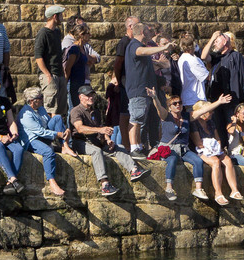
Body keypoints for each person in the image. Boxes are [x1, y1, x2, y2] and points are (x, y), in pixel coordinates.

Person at [67, 84, 141, 198]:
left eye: (92, 95)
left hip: (97, 141)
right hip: (80, 142)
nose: (91, 97)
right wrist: (100, 130)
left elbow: (102, 130)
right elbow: (80, 129)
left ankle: (134, 170)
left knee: (118, 146)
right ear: (81, 97)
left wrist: (107, 140)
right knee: (96, 151)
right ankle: (105, 184)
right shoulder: (76, 111)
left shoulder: (96, 112)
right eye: (87, 95)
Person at [124, 20, 168, 154]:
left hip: (146, 91)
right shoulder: (134, 45)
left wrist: (160, 63)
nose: (151, 33)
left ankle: (138, 146)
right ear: (143, 32)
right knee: (136, 119)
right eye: (148, 31)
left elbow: (156, 64)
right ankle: (134, 148)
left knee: (140, 119)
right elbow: (141, 51)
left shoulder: (139, 46)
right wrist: (161, 48)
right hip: (138, 90)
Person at [17, 86, 69, 197]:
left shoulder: (40, 108)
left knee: (58, 118)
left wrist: (64, 132)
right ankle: (52, 182)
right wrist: (56, 134)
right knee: (48, 152)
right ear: (32, 101)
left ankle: (65, 146)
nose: (42, 99)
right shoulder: (25, 114)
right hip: (31, 139)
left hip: (43, 135)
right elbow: (40, 132)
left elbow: (49, 123)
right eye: (40, 97)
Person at [33, 4, 68, 116]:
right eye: (60, 15)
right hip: (49, 74)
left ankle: (60, 131)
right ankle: (52, 132)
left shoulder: (57, 32)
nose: (62, 17)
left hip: (59, 74)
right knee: (51, 108)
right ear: (54, 16)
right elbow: (38, 57)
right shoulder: (43, 33)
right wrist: (48, 75)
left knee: (61, 108)